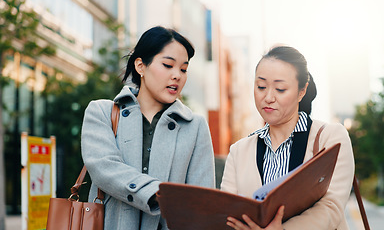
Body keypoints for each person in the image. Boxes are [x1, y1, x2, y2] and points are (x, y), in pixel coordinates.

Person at [81, 26, 215, 230]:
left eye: (183, 69)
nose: (177, 75)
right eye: (168, 65)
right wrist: (159, 194)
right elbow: (104, 168)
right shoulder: (102, 113)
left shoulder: (194, 126)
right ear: (140, 66)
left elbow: (202, 203)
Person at [221, 46, 355, 229]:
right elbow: (228, 214)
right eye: (261, 86)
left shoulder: (331, 138)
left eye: (280, 89)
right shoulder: (238, 151)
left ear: (302, 91)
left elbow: (331, 206)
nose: (268, 97)